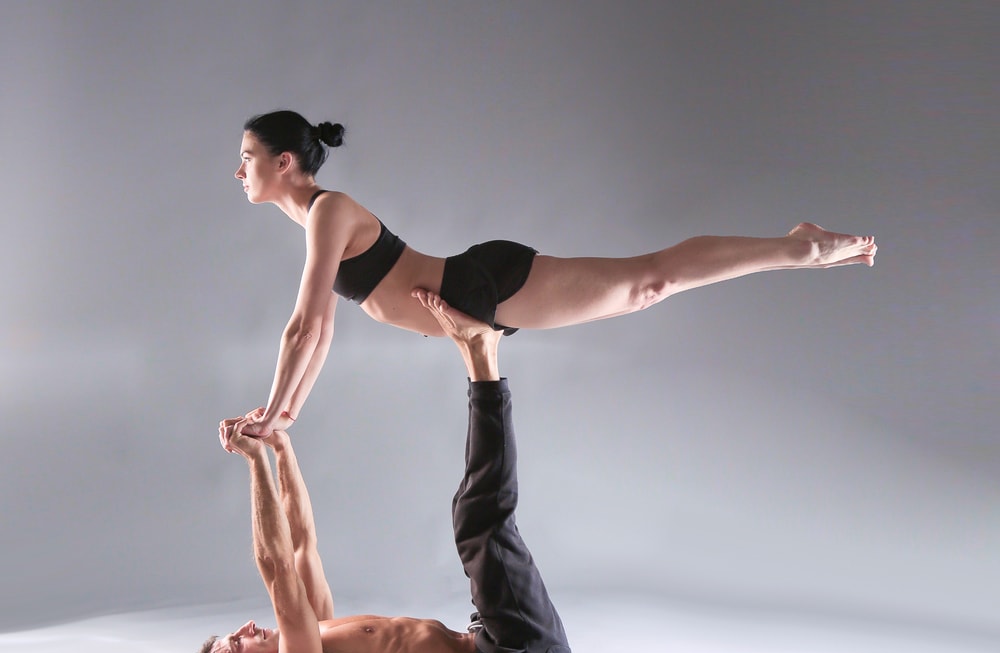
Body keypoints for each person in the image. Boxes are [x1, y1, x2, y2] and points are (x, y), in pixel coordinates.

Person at [232, 110, 878, 437]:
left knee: (649, 282)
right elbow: (316, 335)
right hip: (473, 297)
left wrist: (280, 412)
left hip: (481, 285)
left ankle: (802, 247)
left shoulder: (329, 211)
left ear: (285, 161)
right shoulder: (319, 217)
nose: (240, 171)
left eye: (248, 157)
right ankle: (797, 246)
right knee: (646, 286)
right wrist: (285, 412)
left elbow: (307, 326)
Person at [194, 290, 571, 653]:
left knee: (470, 509)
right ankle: (482, 354)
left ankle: (481, 352)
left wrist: (281, 448)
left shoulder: (314, 632)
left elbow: (301, 544)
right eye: (237, 642)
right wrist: (253, 458)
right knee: (478, 522)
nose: (246, 627)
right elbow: (275, 563)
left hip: (491, 640)